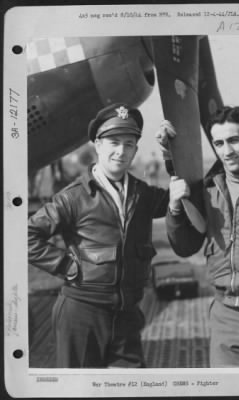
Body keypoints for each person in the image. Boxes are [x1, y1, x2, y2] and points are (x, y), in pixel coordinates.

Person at [28, 103, 169, 368]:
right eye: (113, 142)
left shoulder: (143, 194)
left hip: (127, 316)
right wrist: (66, 266)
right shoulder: (73, 197)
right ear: (97, 144)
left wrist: (171, 155)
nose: (121, 151)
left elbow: (182, 198)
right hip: (82, 313)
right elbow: (27, 235)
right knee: (78, 393)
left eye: (129, 144)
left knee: (131, 389)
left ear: (136, 150)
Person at [157, 106, 239, 367]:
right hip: (225, 318)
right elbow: (184, 246)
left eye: (233, 140)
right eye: (218, 143)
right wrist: (174, 206)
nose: (227, 151)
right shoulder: (208, 188)